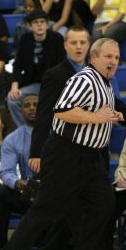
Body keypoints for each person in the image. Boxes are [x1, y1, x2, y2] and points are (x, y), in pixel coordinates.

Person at [0, 38, 126, 250]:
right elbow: (61, 111)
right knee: (43, 212)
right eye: (108, 57)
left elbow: (96, 116)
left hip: (91, 159)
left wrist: (113, 116)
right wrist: (96, 117)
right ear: (94, 57)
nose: (113, 62)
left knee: (104, 204)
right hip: (66, 155)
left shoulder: (105, 84)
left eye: (117, 58)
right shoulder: (83, 80)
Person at [29, 26, 91, 172]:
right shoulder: (54, 75)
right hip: (66, 145)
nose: (78, 47)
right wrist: (36, 152)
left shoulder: (96, 73)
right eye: (73, 42)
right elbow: (43, 114)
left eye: (82, 43)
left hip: (94, 145)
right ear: (65, 45)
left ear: (88, 45)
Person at [0, 94, 39, 250]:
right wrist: (18, 183)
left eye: (36, 104)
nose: (32, 108)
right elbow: (6, 171)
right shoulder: (13, 139)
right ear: (20, 110)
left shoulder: (57, 132)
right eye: (27, 105)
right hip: (28, 190)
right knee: (0, 195)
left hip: (53, 191)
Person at [7, 9, 65, 127]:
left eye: (42, 22)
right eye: (36, 22)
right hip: (34, 84)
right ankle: (27, 131)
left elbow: (62, 65)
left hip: (54, 85)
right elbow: (18, 64)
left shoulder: (57, 38)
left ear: (47, 25)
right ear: (30, 26)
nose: (39, 25)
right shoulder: (25, 39)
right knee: (12, 100)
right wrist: (14, 86)